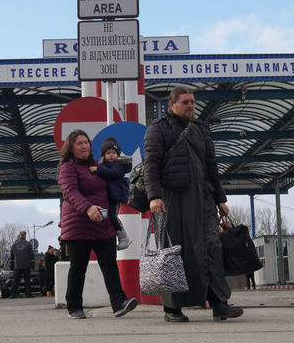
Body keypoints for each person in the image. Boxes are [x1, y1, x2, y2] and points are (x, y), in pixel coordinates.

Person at [144, 86, 244, 322]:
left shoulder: (201, 130)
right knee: (175, 253)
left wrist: (220, 198)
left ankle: (220, 304)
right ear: (172, 105)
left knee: (211, 249)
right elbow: (151, 164)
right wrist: (153, 196)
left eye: (192, 102)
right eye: (185, 102)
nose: (191, 105)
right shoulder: (157, 130)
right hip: (172, 199)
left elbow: (212, 167)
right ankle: (172, 309)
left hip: (204, 199)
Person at [56, 129, 138, 319]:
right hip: (78, 226)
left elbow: (119, 171)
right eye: (80, 143)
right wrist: (88, 208)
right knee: (78, 268)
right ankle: (74, 306)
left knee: (109, 265)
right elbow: (70, 193)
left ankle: (120, 303)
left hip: (103, 224)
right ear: (71, 147)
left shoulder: (99, 166)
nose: (84, 146)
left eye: (86, 142)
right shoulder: (68, 168)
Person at [90, 137, 132, 250]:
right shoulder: (103, 166)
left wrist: (97, 170)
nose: (111, 155)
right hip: (105, 197)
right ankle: (108, 234)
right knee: (106, 216)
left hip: (115, 196)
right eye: (108, 153)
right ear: (104, 155)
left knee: (113, 216)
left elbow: (112, 173)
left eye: (114, 153)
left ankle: (123, 237)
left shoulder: (118, 166)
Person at [9, 231, 35, 298]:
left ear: (19, 235)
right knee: (27, 281)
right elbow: (31, 256)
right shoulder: (28, 244)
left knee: (15, 282)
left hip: (17, 266)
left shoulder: (14, 245)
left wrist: (12, 266)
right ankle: (28, 294)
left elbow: (11, 257)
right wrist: (33, 265)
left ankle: (12, 295)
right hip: (26, 266)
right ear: (25, 236)